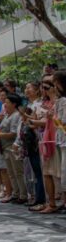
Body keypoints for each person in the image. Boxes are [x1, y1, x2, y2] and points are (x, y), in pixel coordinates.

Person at [31, 75, 60, 213]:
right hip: (47, 139)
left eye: (47, 87)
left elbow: (58, 119)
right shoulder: (45, 103)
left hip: (58, 139)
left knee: (59, 173)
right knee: (47, 172)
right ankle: (52, 203)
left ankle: (57, 202)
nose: (44, 90)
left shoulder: (60, 101)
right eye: (43, 87)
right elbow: (43, 121)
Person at [0, 93, 28, 204]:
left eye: (7, 102)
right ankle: (15, 193)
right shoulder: (6, 115)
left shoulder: (16, 115)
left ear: (14, 104)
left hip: (13, 147)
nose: (5, 104)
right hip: (5, 147)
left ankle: (23, 195)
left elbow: (14, 133)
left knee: (18, 172)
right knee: (11, 172)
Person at [20, 81, 46, 210]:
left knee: (39, 172)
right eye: (26, 87)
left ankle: (41, 199)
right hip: (29, 142)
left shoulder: (39, 104)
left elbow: (36, 123)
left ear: (37, 90)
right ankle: (36, 197)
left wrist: (27, 118)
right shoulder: (29, 104)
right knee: (34, 172)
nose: (26, 90)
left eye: (29, 87)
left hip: (37, 141)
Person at [52, 70, 66, 210]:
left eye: (56, 83)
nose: (54, 87)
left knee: (64, 171)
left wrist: (54, 118)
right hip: (61, 141)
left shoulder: (63, 101)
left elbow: (62, 121)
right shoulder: (59, 101)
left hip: (64, 140)